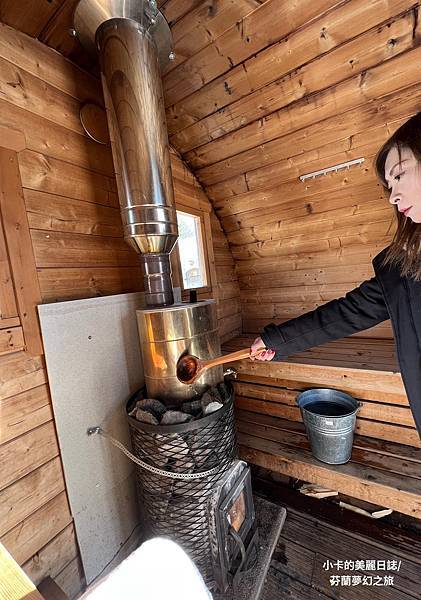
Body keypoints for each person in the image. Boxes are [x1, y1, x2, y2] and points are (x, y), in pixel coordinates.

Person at [250, 112, 421, 438]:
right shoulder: (404, 268)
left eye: (399, 176)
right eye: (388, 185)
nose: (392, 196)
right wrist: (276, 340)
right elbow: (348, 313)